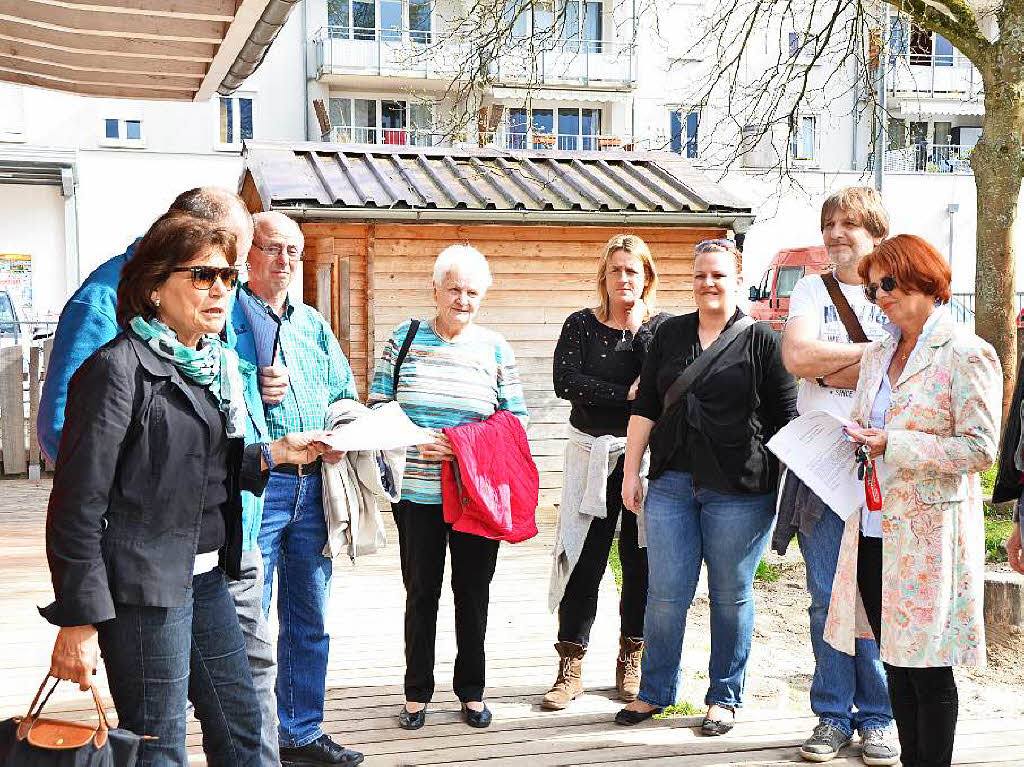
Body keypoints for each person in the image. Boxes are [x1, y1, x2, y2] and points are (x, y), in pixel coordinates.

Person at [43, 212, 332, 766]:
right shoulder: (116, 370)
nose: (221, 289)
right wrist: (78, 621)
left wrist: (274, 453)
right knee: (159, 747)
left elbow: (192, 468)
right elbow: (77, 507)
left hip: (204, 578)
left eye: (227, 276)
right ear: (154, 286)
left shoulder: (203, 367)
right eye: (202, 276)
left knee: (244, 728)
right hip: (143, 592)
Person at [828, 234, 1001, 767]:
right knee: (895, 663)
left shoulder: (967, 352)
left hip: (930, 537)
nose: (879, 295)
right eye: (872, 286)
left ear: (924, 280)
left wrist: (894, 444)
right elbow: (866, 424)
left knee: (929, 668)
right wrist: (850, 437)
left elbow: (980, 449)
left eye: (888, 283)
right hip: (875, 525)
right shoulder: (877, 353)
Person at [614, 238, 797, 735]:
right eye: (700, 275)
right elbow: (647, 404)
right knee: (666, 593)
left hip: (741, 490)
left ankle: (724, 697)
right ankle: (655, 692)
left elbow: (785, 421)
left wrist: (782, 494)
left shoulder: (763, 341)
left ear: (738, 280)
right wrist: (632, 472)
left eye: (718, 275)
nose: (708, 284)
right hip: (672, 481)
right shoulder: (670, 334)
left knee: (730, 595)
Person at [367, 244, 528, 731]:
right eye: (454, 288)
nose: (462, 299)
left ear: (484, 296)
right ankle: (416, 693)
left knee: (473, 593)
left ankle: (471, 691)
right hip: (416, 494)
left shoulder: (496, 348)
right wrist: (416, 437)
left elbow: (515, 423)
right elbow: (378, 403)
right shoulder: (405, 336)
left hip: (475, 495)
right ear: (435, 289)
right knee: (421, 593)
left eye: (472, 291)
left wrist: (460, 446)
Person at [234, 212, 363, 766]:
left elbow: (346, 393)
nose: (284, 262)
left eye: (293, 251)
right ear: (247, 256)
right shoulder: (227, 320)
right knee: (251, 624)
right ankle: (249, 739)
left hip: (314, 488)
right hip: (258, 488)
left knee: (310, 619)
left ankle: (300, 733)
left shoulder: (313, 323)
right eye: (272, 249)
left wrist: (342, 431)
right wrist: (250, 382)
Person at [779, 187, 898, 765]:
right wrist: (869, 355)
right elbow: (798, 359)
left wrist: (842, 363)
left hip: (884, 466)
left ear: (874, 231)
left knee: (876, 594)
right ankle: (831, 714)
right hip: (821, 464)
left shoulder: (894, 289)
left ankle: (878, 717)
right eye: (828, 223)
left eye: (847, 224)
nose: (834, 234)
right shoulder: (809, 287)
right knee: (827, 593)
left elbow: (908, 359)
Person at [544, 234, 668, 710]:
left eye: (633, 270)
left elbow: (661, 386)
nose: (623, 278)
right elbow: (566, 382)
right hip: (590, 455)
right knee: (584, 559)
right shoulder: (581, 325)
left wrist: (640, 338)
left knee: (638, 561)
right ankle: (570, 664)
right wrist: (627, 394)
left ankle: (630, 657)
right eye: (616, 269)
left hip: (640, 458)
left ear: (646, 277)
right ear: (604, 276)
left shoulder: (659, 331)